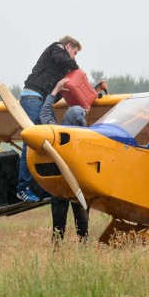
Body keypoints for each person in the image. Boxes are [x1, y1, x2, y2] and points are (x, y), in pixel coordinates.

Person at [16, 36, 81, 202]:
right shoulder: (56, 48)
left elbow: (56, 94)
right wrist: (78, 71)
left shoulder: (59, 66)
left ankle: (42, 187)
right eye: (74, 52)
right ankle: (22, 188)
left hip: (39, 99)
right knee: (31, 143)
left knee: (45, 143)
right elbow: (67, 62)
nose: (74, 57)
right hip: (32, 97)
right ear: (68, 46)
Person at [39, 77, 89, 243]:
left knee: (58, 231)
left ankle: (60, 251)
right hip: (73, 187)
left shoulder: (54, 132)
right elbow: (45, 113)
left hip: (62, 188)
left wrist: (54, 91)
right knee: (82, 230)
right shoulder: (85, 139)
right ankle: (83, 247)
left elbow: (45, 113)